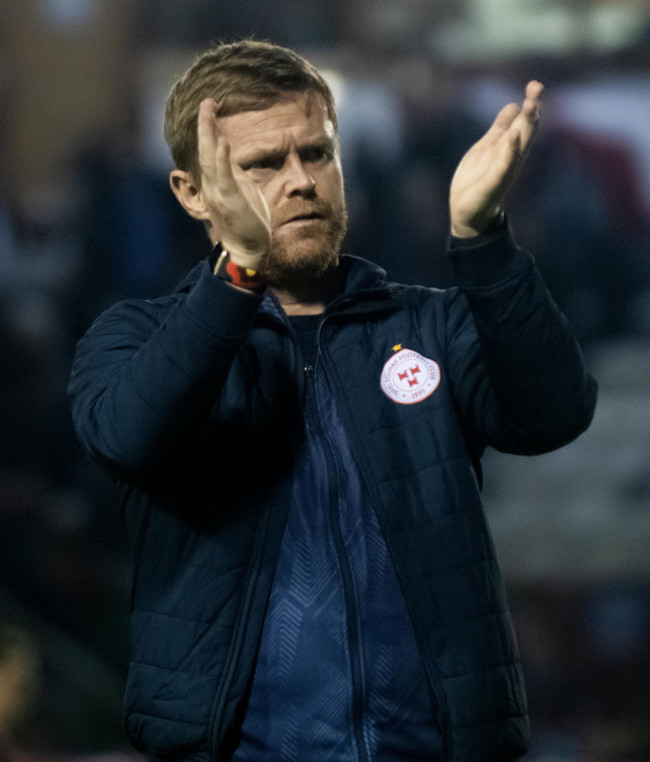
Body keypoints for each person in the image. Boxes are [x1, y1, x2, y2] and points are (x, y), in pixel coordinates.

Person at [68, 40, 597, 762]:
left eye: (316, 154)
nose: (301, 182)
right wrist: (238, 277)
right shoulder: (135, 336)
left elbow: (555, 414)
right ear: (193, 192)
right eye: (261, 165)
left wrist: (484, 243)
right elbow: (133, 437)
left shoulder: (429, 324)